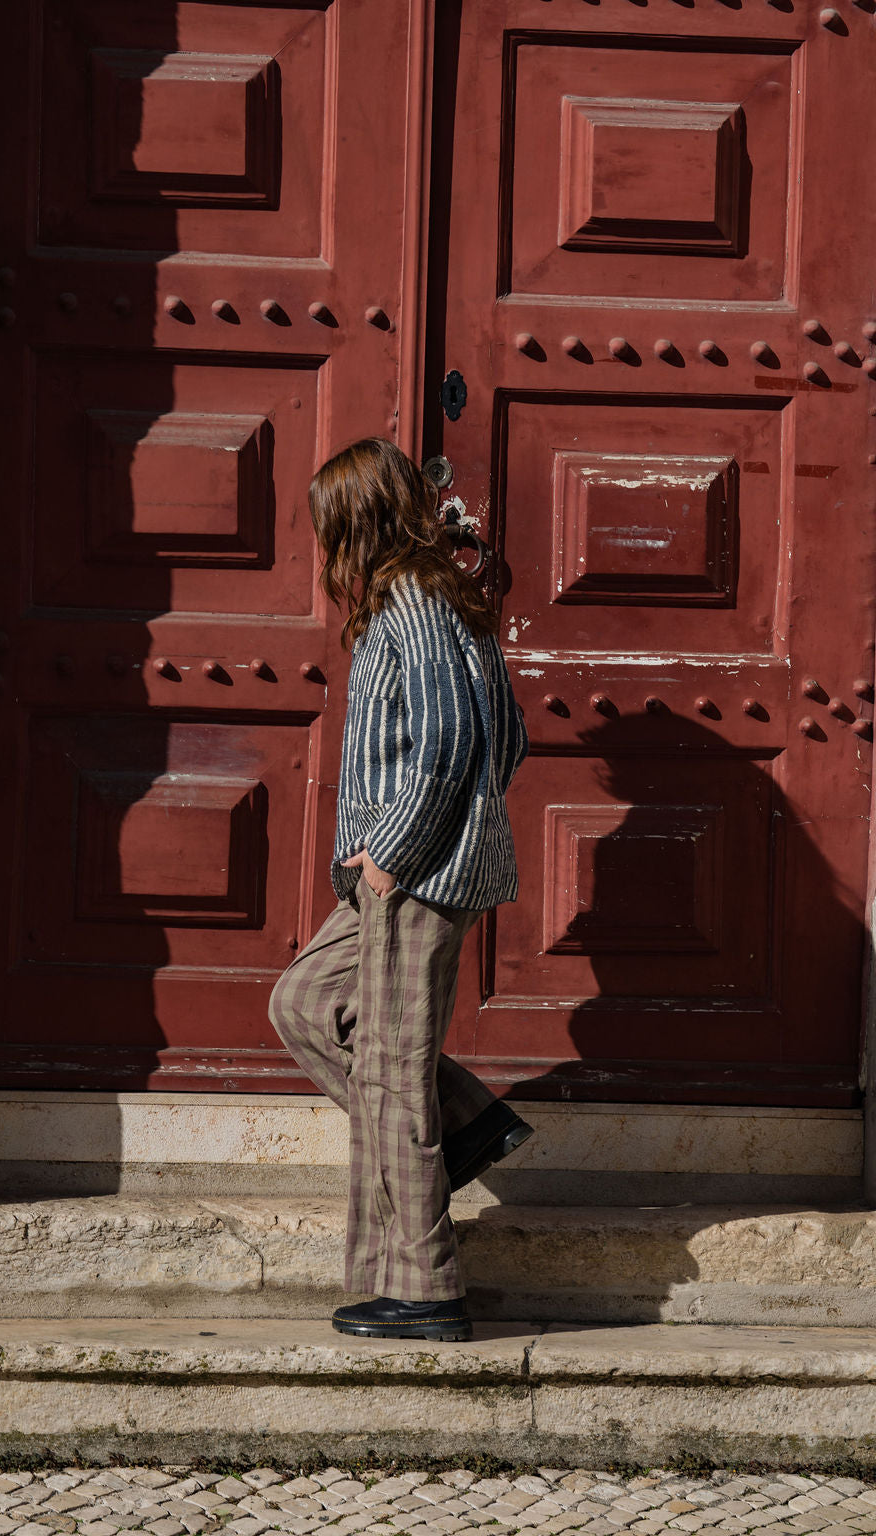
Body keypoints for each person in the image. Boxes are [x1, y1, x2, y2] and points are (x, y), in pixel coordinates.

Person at [267, 438, 530, 1342]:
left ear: (358, 520)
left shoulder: (412, 597)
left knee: (390, 1071)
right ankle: (467, 1126)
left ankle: (423, 1289)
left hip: (410, 874)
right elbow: (511, 736)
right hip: (403, 872)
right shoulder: (446, 598)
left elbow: (453, 739)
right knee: (303, 1002)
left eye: (329, 525)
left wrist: (393, 853)